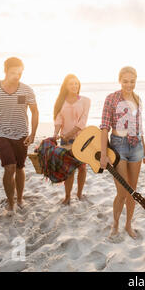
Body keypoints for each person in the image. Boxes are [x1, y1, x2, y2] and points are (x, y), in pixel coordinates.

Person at [0, 57, 39, 213]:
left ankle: (20, 198)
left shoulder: (26, 90)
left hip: (22, 134)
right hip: (2, 134)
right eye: (13, 72)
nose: (16, 76)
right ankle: (10, 202)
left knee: (20, 167)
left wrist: (33, 133)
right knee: (10, 167)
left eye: (19, 73)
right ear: (5, 71)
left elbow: (35, 111)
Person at [100, 66, 145, 239]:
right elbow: (104, 127)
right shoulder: (111, 99)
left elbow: (139, 127)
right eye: (126, 81)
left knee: (132, 190)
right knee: (122, 191)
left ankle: (128, 225)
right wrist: (104, 153)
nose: (129, 85)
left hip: (136, 147)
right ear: (120, 80)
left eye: (132, 81)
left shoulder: (137, 99)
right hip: (118, 146)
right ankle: (115, 224)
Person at [53, 74, 91, 205]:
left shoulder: (86, 100)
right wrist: (55, 134)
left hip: (82, 139)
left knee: (82, 167)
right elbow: (58, 120)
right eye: (71, 84)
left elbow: (83, 121)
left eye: (76, 83)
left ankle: (79, 194)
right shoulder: (60, 101)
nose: (74, 86)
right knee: (68, 170)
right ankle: (68, 196)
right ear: (66, 86)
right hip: (65, 141)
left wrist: (70, 133)